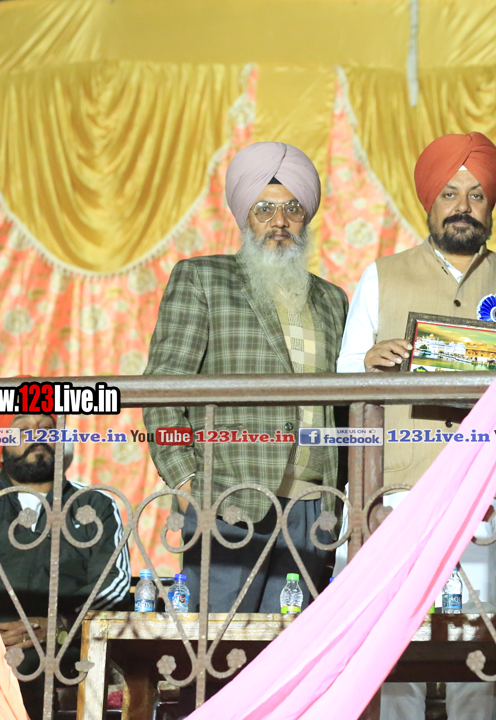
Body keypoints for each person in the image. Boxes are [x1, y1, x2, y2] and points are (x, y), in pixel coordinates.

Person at [337, 132, 496, 720]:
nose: (462, 207)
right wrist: (367, 362)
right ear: (429, 203)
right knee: (393, 644)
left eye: (476, 195)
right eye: (449, 193)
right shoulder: (381, 275)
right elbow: (342, 373)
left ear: (491, 206)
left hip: (488, 497)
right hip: (396, 490)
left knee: (480, 645)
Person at [143, 142, 348, 613]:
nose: (280, 222)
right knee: (217, 645)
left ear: (306, 217)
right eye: (264, 209)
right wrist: (188, 481)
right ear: (244, 217)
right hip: (227, 499)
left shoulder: (332, 299)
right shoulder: (203, 279)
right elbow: (161, 389)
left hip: (312, 510)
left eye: (292, 209)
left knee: (294, 648)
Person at [0, 412, 130, 720]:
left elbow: (113, 584)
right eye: (22, 429)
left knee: (21, 669)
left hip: (61, 641)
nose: (37, 435)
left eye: (47, 428)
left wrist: (57, 624)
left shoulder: (96, 504)